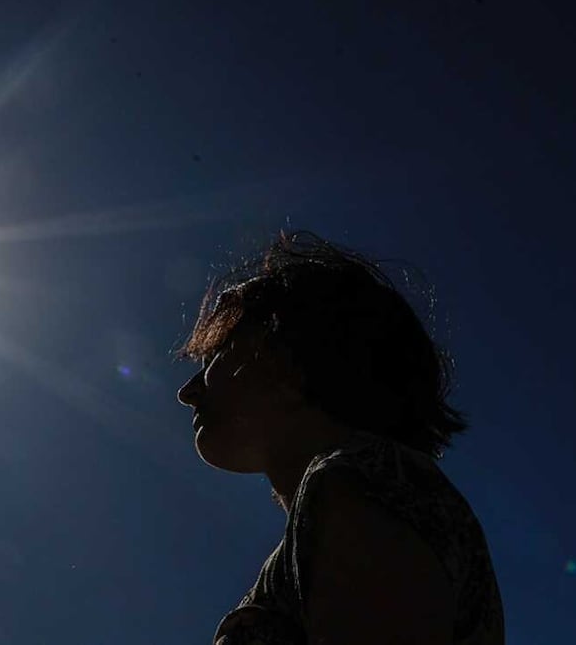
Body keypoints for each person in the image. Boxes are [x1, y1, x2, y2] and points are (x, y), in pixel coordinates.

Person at [176, 230, 505, 645]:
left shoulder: (351, 483)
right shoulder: (352, 495)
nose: (187, 392)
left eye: (216, 355)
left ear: (285, 363)